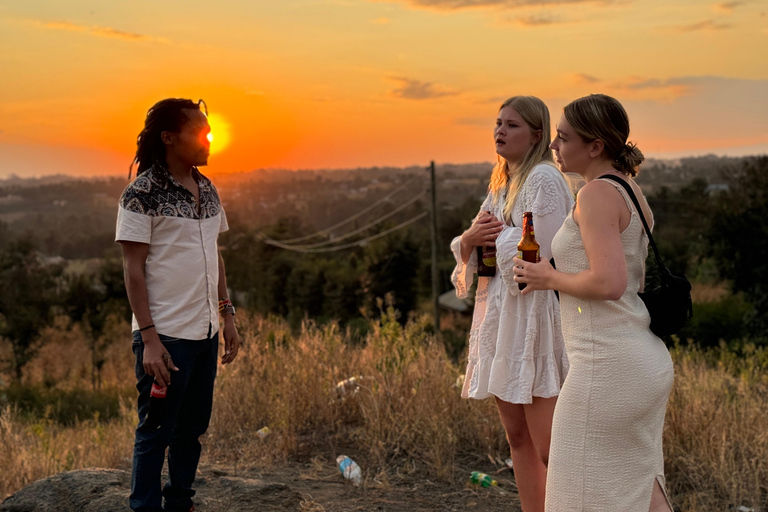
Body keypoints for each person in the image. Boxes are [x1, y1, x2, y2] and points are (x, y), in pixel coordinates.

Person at [513, 94, 674, 511]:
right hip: (639, 359)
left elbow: (609, 282)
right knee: (638, 485)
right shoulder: (630, 190)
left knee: (574, 492)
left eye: (563, 138)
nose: (554, 145)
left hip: (608, 367)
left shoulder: (595, 195)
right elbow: (613, 269)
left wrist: (548, 277)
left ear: (595, 146)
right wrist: (545, 268)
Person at [116, 98, 240, 512]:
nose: (209, 139)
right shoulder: (141, 194)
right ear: (170, 137)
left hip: (204, 333)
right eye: (199, 131)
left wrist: (227, 316)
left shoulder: (207, 188)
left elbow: (215, 255)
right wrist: (149, 340)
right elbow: (133, 270)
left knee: (191, 431)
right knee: (155, 431)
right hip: (165, 337)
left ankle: (181, 501)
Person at [450, 96, 573, 512]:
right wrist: (469, 240)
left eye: (513, 125)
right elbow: (473, 240)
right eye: (498, 123)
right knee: (516, 438)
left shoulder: (544, 179)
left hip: (537, 316)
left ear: (537, 135)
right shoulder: (502, 182)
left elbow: (537, 254)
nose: (500, 131)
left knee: (550, 448)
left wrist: (493, 235)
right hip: (501, 318)